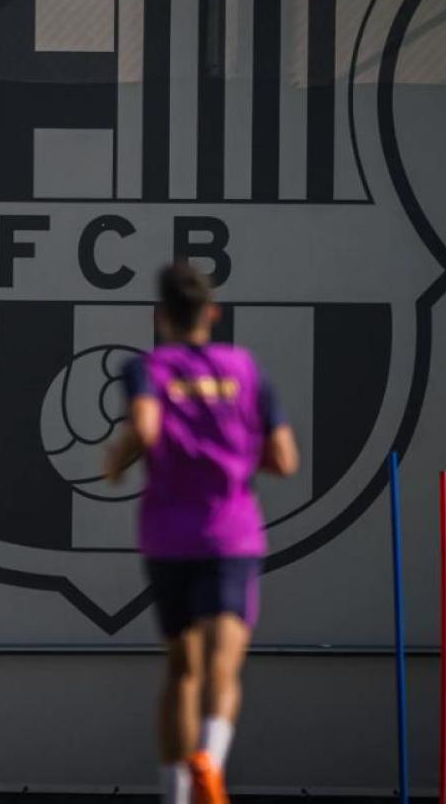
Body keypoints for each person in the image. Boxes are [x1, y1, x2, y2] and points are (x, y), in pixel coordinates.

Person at [104, 262, 299, 804]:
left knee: (181, 670)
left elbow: (143, 427)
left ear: (160, 316)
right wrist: (234, 454)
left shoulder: (146, 368)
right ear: (212, 313)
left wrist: (116, 461)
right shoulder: (247, 370)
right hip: (231, 533)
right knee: (223, 663)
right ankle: (209, 759)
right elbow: (285, 459)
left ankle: (175, 796)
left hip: (168, 533)